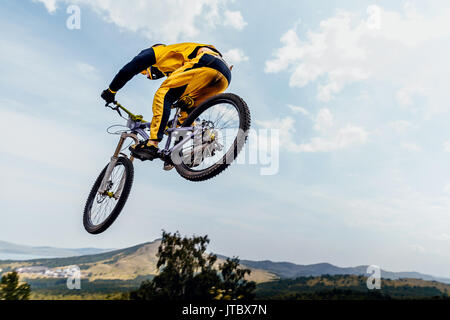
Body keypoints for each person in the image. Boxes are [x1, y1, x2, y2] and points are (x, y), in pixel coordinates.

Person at [101, 43, 232, 163]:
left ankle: (152, 144)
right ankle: (200, 139)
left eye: (146, 72)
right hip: (223, 78)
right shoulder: (178, 66)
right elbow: (179, 95)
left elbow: (129, 69)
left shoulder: (159, 51)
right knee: (185, 108)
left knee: (163, 94)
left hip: (207, 62)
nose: (146, 75)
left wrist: (111, 91)